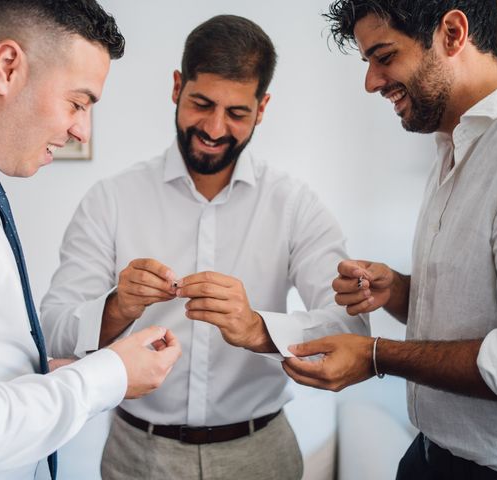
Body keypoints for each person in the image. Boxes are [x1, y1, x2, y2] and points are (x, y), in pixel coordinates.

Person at [41, 13, 368, 480]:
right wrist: (116, 308)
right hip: (139, 455)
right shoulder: (111, 201)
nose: (214, 128)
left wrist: (258, 329)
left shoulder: (295, 206)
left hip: (261, 455)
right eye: (201, 103)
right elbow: (51, 330)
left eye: (237, 113)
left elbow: (351, 331)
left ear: (263, 107)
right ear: (177, 87)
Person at [0, 1, 181, 479]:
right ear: (8, 67)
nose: (80, 129)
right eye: (78, 102)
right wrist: (107, 377)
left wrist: (47, 369)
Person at [282, 1, 497, 478]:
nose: (372, 81)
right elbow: (480, 305)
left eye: (384, 56)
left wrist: (377, 356)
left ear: (453, 33)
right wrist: (398, 291)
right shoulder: (454, 145)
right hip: (429, 455)